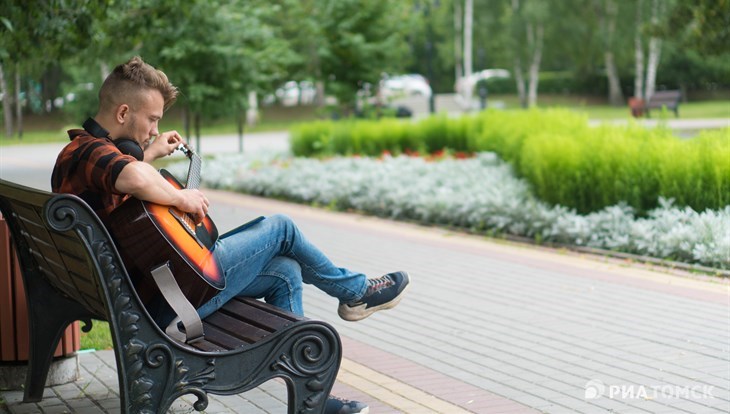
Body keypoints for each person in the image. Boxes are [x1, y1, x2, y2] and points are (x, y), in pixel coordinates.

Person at [51, 56, 410, 414]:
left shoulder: (86, 155)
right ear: (123, 112)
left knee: (285, 271)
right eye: (152, 120)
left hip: (144, 295)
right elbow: (130, 177)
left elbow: (122, 180)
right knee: (281, 228)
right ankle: (356, 293)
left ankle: (313, 403)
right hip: (163, 306)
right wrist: (180, 196)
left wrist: (148, 153)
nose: (154, 129)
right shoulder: (89, 152)